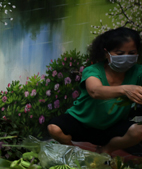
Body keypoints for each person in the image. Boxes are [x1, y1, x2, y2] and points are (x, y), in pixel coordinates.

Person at [48, 27, 142, 155]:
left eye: (131, 53)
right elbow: (95, 91)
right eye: (120, 53)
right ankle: (78, 155)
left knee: (139, 131)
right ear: (106, 53)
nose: (126, 57)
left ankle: (106, 150)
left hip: (112, 126)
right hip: (82, 123)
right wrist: (125, 89)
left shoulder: (138, 72)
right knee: (54, 128)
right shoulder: (93, 70)